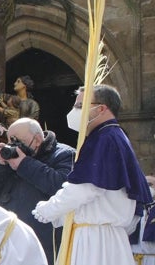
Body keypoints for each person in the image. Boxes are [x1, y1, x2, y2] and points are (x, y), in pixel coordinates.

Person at [33, 84, 153, 265]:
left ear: (101, 109)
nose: (74, 111)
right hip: (107, 236)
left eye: (80, 106)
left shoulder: (104, 138)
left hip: (95, 241)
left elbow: (85, 189)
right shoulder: (113, 136)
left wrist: (50, 209)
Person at [0, 117, 75, 264]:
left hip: (47, 242)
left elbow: (62, 187)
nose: (15, 146)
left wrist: (24, 164)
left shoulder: (65, 154)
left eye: (19, 142)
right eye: (10, 141)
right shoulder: (10, 158)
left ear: (37, 140)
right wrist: (0, 165)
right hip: (13, 240)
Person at [131, 175, 155, 265]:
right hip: (134, 259)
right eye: (143, 184)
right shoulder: (134, 208)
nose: (146, 188)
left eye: (149, 184)